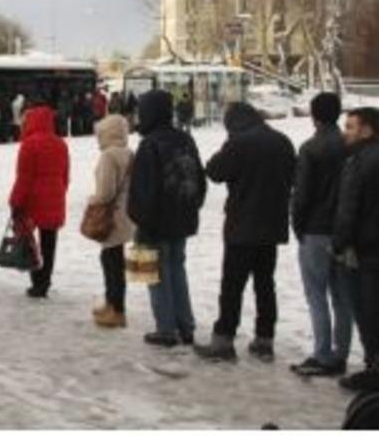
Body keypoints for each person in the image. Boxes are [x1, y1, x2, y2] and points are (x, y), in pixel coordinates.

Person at [193, 102, 296, 362]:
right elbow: (294, 176)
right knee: (265, 284)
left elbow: (215, 171)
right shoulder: (282, 141)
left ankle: (223, 341)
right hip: (272, 224)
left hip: (242, 224)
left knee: (232, 286)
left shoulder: (239, 143)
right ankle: (264, 340)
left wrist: (230, 145)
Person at [128, 89, 207, 348]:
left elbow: (143, 189)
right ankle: (185, 326)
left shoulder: (150, 144)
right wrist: (191, 207)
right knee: (176, 270)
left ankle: (166, 329)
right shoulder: (184, 139)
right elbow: (199, 179)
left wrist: (141, 221)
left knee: (156, 274)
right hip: (182, 218)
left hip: (156, 222)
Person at [290, 93, 353, 377]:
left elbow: (302, 194)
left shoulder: (310, 148)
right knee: (341, 295)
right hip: (344, 230)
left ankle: (322, 353)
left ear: (314, 115)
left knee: (316, 294)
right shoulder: (351, 147)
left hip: (316, 229)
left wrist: (298, 224)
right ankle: (341, 353)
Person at [334, 107, 379, 392]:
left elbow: (349, 208)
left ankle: (373, 369)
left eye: (350, 127)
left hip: (367, 249)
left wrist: (340, 243)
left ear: (366, 130)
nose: (345, 133)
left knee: (368, 311)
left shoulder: (362, 161)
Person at [8, 104, 70, 299]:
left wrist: (15, 201)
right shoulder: (61, 144)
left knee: (30, 242)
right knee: (49, 243)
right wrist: (59, 193)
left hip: (32, 202)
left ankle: (36, 282)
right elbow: (65, 176)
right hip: (55, 198)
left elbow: (24, 178)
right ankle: (45, 281)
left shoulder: (29, 144)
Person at [89, 114, 135, 327]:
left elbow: (106, 193)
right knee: (114, 261)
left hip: (112, 216)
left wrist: (93, 200)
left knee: (111, 263)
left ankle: (116, 309)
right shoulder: (129, 153)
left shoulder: (109, 156)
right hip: (126, 214)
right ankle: (113, 305)